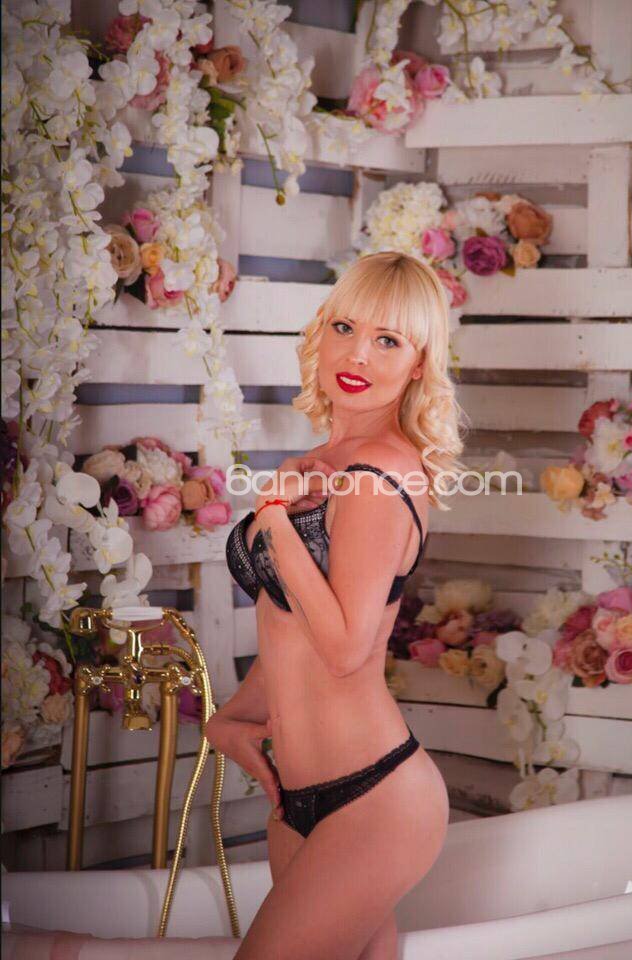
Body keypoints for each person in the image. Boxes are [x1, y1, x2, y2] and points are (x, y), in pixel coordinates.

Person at [208, 250, 468, 959]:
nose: (358, 355)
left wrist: (273, 519)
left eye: (388, 341)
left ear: (418, 363)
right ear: (321, 331)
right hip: (299, 802)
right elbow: (290, 625)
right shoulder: (327, 462)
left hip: (374, 800)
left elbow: (347, 648)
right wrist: (236, 716)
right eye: (345, 328)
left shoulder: (379, 472)